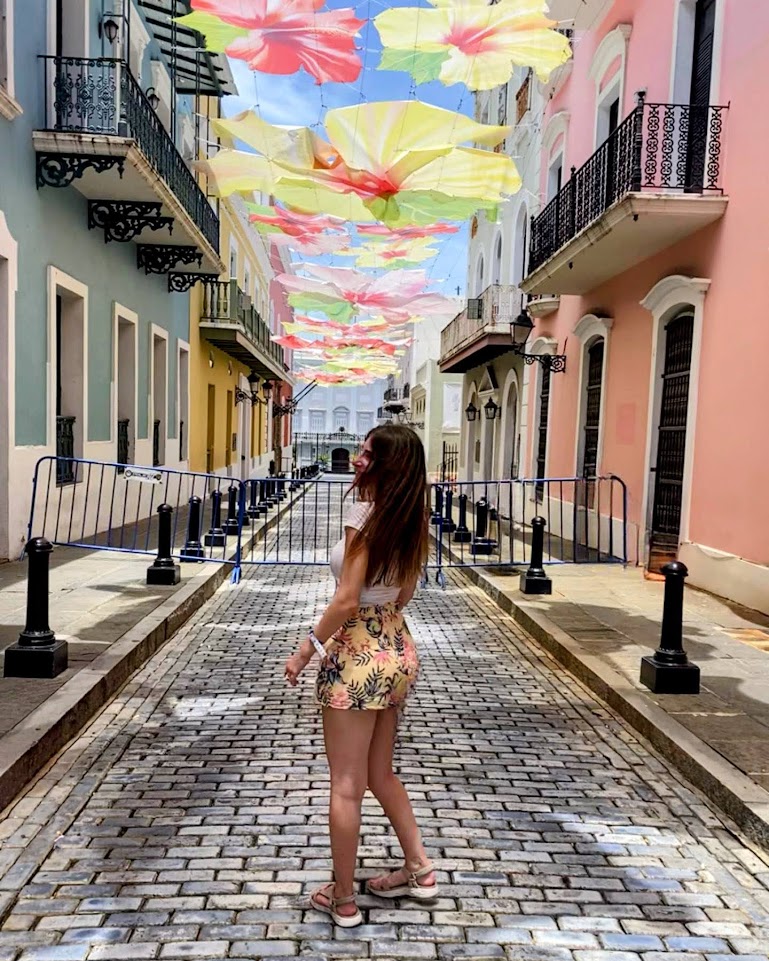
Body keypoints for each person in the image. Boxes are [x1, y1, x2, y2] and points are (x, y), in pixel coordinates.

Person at [284, 424, 438, 927]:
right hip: (396, 648)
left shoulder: (363, 515)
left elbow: (347, 598)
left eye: (369, 454)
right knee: (379, 773)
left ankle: (343, 897)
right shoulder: (414, 518)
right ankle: (419, 868)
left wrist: (306, 649)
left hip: (356, 655)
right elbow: (405, 594)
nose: (357, 458)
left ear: (388, 466)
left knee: (346, 784)